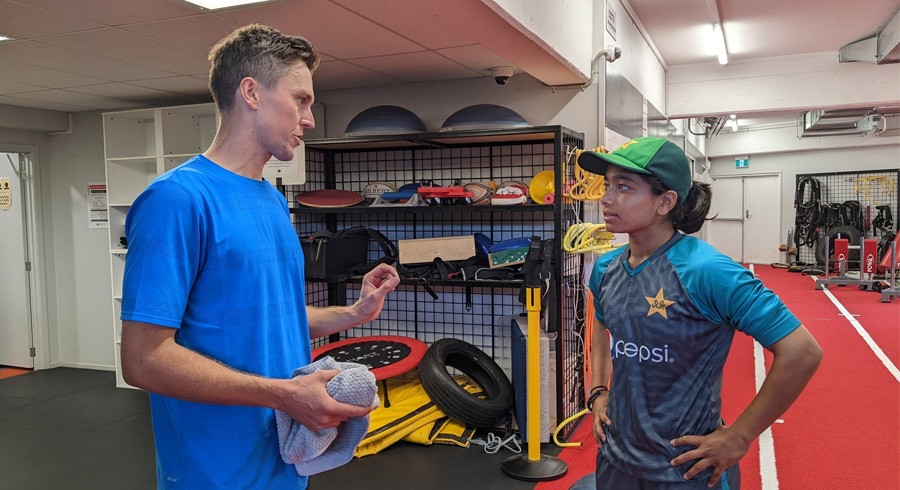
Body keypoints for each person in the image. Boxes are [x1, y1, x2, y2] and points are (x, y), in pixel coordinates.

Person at [120, 24, 400, 489]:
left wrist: (353, 313)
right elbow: (144, 360)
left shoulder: (271, 199)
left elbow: (270, 317)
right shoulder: (177, 200)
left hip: (286, 457)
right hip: (215, 470)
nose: (309, 118)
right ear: (251, 92)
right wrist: (283, 396)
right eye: (300, 100)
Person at [577, 138, 822, 489]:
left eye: (624, 187)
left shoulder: (707, 270)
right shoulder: (606, 269)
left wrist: (739, 437)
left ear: (665, 202)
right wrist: (598, 391)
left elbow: (802, 352)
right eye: (607, 186)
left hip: (683, 470)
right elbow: (600, 324)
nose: (607, 198)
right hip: (615, 461)